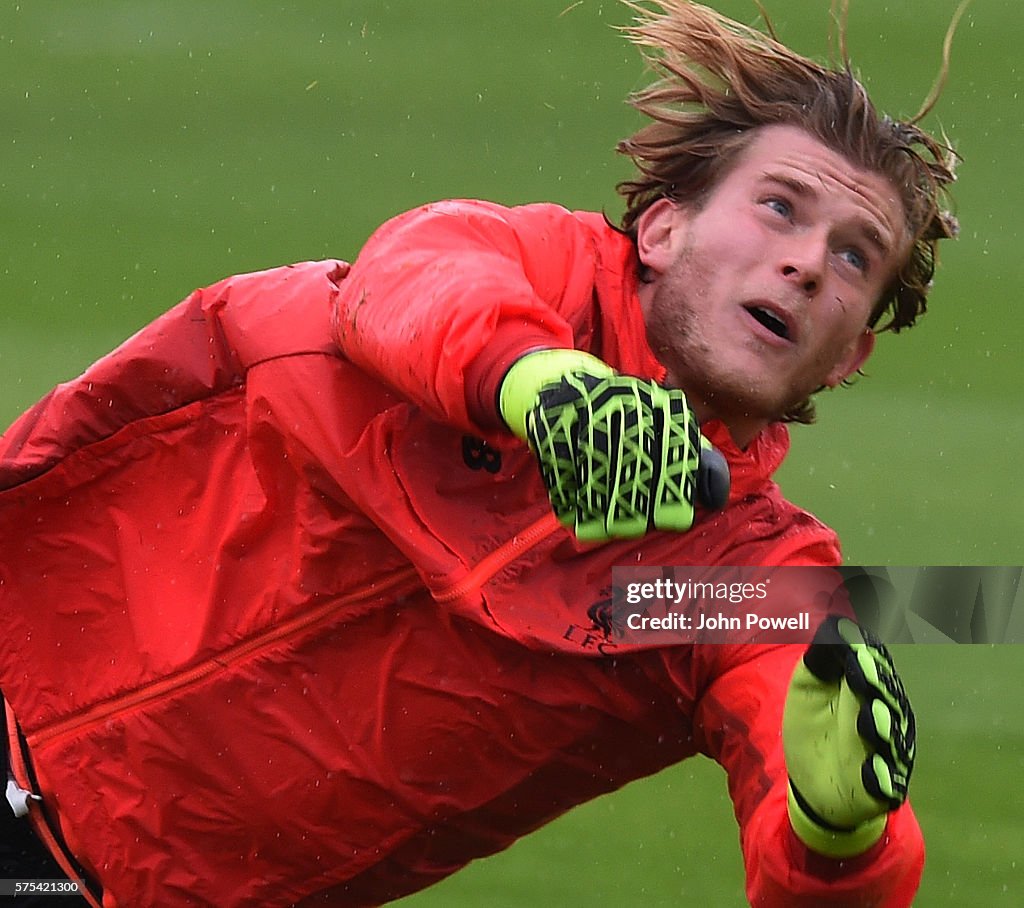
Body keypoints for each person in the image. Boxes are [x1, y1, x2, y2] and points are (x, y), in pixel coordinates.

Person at [0, 1, 958, 906]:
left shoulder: (740, 576)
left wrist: (838, 837)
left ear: (850, 355)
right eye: (781, 207)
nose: (803, 262)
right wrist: (543, 388)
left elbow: (817, 804)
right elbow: (415, 281)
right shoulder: (530, 267)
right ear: (663, 230)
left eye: (852, 257)